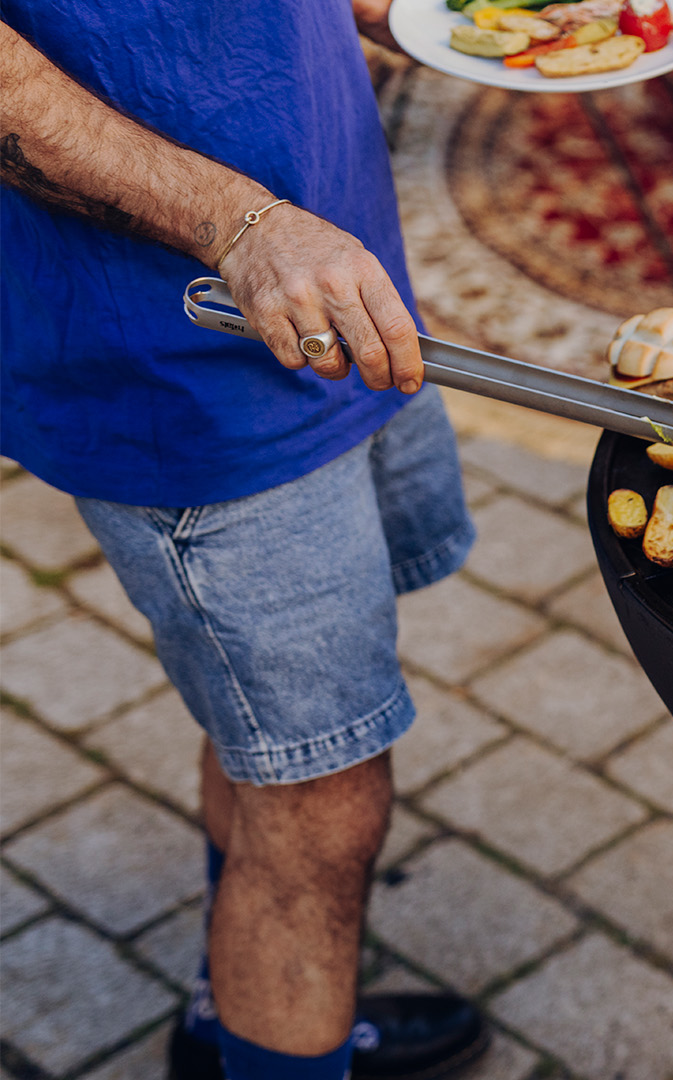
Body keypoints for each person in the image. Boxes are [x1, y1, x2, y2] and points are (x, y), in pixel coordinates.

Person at [1, 3, 488, 1078]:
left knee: (277, 749)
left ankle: (238, 1026)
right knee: (321, 807)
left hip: (336, 279)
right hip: (181, 341)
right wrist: (240, 225)